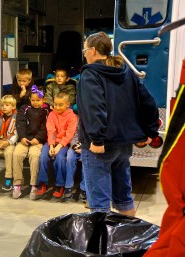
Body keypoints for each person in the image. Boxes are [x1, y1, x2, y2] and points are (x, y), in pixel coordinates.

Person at [77, 31, 159, 216]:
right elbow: (148, 101)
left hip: (100, 147)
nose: (84, 53)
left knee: (99, 204)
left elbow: (94, 108)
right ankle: (128, 239)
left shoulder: (90, 75)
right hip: (123, 146)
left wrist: (97, 140)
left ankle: (102, 243)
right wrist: (150, 131)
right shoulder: (125, 71)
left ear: (94, 50)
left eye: (85, 49)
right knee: (124, 198)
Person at [36, 92, 78, 200]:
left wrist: (59, 146)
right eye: (55, 104)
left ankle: (60, 185)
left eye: (60, 105)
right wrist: (50, 146)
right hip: (51, 142)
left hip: (63, 143)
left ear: (67, 104)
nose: (57, 107)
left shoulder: (72, 116)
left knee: (60, 158)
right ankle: (43, 183)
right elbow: (51, 131)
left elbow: (70, 134)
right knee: (43, 157)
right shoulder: (51, 114)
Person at [12, 85, 48, 199]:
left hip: (38, 141)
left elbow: (46, 127)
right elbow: (20, 123)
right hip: (24, 139)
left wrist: (38, 138)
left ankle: (34, 184)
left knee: (34, 155)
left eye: (38, 100)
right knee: (17, 154)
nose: (35, 102)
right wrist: (22, 137)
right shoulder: (24, 108)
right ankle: (17, 183)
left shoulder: (46, 111)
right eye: (33, 100)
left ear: (44, 100)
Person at [0, 95, 18, 191]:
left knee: (9, 153)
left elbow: (17, 133)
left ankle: (8, 178)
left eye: (7, 105)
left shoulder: (16, 117)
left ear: (13, 107)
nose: (4, 107)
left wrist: (9, 142)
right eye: (2, 105)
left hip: (9, 142)